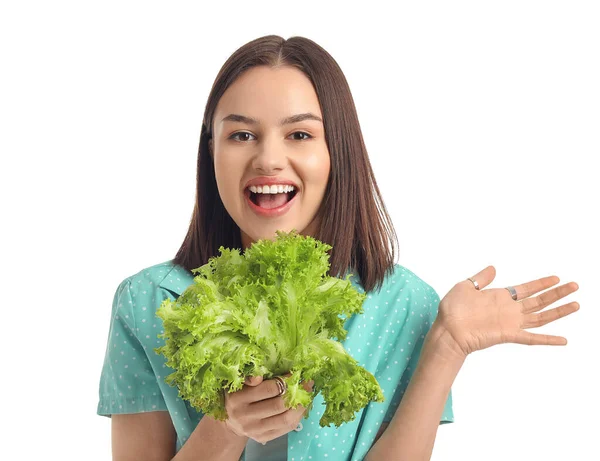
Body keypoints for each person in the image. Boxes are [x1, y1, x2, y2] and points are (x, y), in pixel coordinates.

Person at [96, 35, 580, 461]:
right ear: (210, 151)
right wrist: (228, 427)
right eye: (241, 135)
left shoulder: (405, 305)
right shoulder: (146, 303)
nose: (268, 158)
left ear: (337, 153)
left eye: (300, 134)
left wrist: (447, 347)